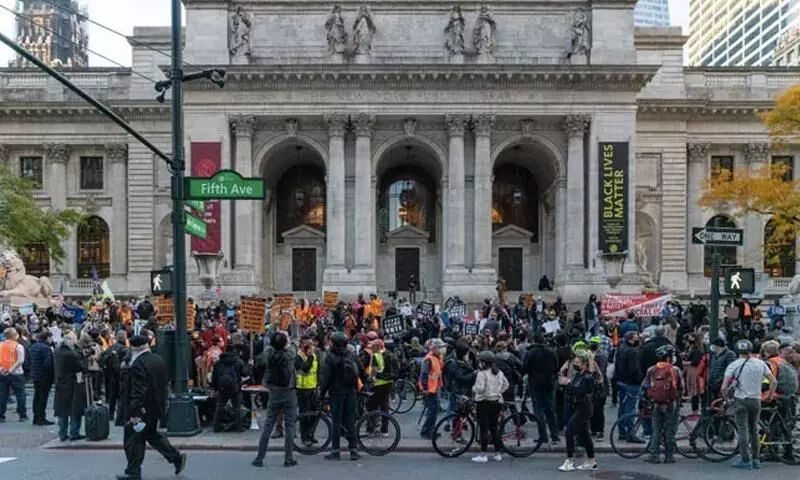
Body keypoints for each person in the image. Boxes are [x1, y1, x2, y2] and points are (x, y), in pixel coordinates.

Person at [117, 335, 186, 480]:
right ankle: (176, 457)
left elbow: (139, 391)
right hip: (155, 408)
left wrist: (135, 411)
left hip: (141, 410)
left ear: (134, 348)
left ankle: (133, 471)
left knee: (133, 438)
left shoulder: (137, 365)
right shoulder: (158, 360)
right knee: (152, 435)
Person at [721, 339, 777, 470]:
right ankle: (756, 459)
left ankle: (745, 459)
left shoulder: (733, 365)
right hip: (756, 399)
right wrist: (768, 396)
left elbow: (724, 387)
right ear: (750, 349)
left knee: (742, 430)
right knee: (754, 429)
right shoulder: (760, 363)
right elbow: (773, 382)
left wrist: (727, 399)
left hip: (740, 399)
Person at [252, 331, 298, 467]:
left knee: (268, 425)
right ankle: (288, 458)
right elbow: (294, 345)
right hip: (289, 392)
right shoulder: (289, 355)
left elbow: (261, 357)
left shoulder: (269, 354)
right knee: (290, 426)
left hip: (274, 391)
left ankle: (259, 457)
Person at [320, 332, 363, 461]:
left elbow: (326, 378)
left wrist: (321, 394)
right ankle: (353, 450)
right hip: (351, 392)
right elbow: (360, 370)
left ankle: (335, 451)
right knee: (350, 421)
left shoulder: (330, 357)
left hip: (336, 392)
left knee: (336, 422)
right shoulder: (352, 354)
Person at [641, 344, 683, 464]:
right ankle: (669, 456)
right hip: (671, 403)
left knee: (656, 429)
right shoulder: (675, 370)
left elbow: (645, 386)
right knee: (670, 430)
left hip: (656, 403)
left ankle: (654, 455)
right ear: (669, 357)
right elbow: (681, 387)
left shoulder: (651, 370)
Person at [558, 349, 598, 472]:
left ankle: (570, 460)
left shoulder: (587, 377)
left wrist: (568, 384)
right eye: (575, 362)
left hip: (583, 408)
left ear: (585, 364)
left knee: (569, 432)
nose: (575, 365)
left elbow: (580, 391)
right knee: (585, 435)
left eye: (578, 363)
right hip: (577, 407)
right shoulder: (579, 375)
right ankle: (591, 461)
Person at [471, 350, 509, 463]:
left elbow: (480, 389)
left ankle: (483, 454)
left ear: (483, 362)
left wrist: (474, 388)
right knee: (494, 428)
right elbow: (506, 385)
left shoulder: (481, 374)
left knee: (484, 428)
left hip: (483, 402)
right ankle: (497, 453)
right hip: (496, 402)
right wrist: (498, 391)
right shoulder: (499, 372)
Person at [210, 343, 246, 433]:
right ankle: (239, 427)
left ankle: (216, 426)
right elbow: (245, 374)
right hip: (235, 388)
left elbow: (214, 376)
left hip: (222, 388)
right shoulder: (238, 361)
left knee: (220, 407)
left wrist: (214, 388)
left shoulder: (219, 362)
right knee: (237, 407)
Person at [419, 338, 447, 439]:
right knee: (432, 411)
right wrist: (425, 388)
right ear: (434, 348)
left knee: (434, 411)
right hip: (430, 389)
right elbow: (424, 374)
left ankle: (431, 430)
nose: (443, 349)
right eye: (441, 347)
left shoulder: (438, 356)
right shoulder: (429, 359)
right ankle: (426, 432)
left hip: (436, 387)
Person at [295, 335, 320, 446]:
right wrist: (309, 356)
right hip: (302, 389)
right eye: (307, 345)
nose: (310, 347)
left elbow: (317, 370)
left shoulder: (313, 355)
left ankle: (311, 434)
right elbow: (305, 368)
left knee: (315, 413)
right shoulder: (298, 357)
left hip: (313, 387)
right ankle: (304, 437)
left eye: (311, 344)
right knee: (305, 414)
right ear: (301, 344)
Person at [0, 327, 28, 422]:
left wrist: (2, 369)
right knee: (20, 394)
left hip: (2, 373)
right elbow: (20, 361)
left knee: (2, 394)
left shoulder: (0, 345)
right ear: (13, 335)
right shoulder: (18, 346)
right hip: (17, 373)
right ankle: (22, 415)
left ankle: (1, 416)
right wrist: (11, 370)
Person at [30, 329, 55, 425]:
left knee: (37, 397)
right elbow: (48, 363)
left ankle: (36, 417)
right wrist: (51, 375)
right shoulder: (46, 348)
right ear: (47, 337)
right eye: (51, 337)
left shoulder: (34, 346)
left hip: (36, 375)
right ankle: (41, 418)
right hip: (44, 376)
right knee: (43, 398)